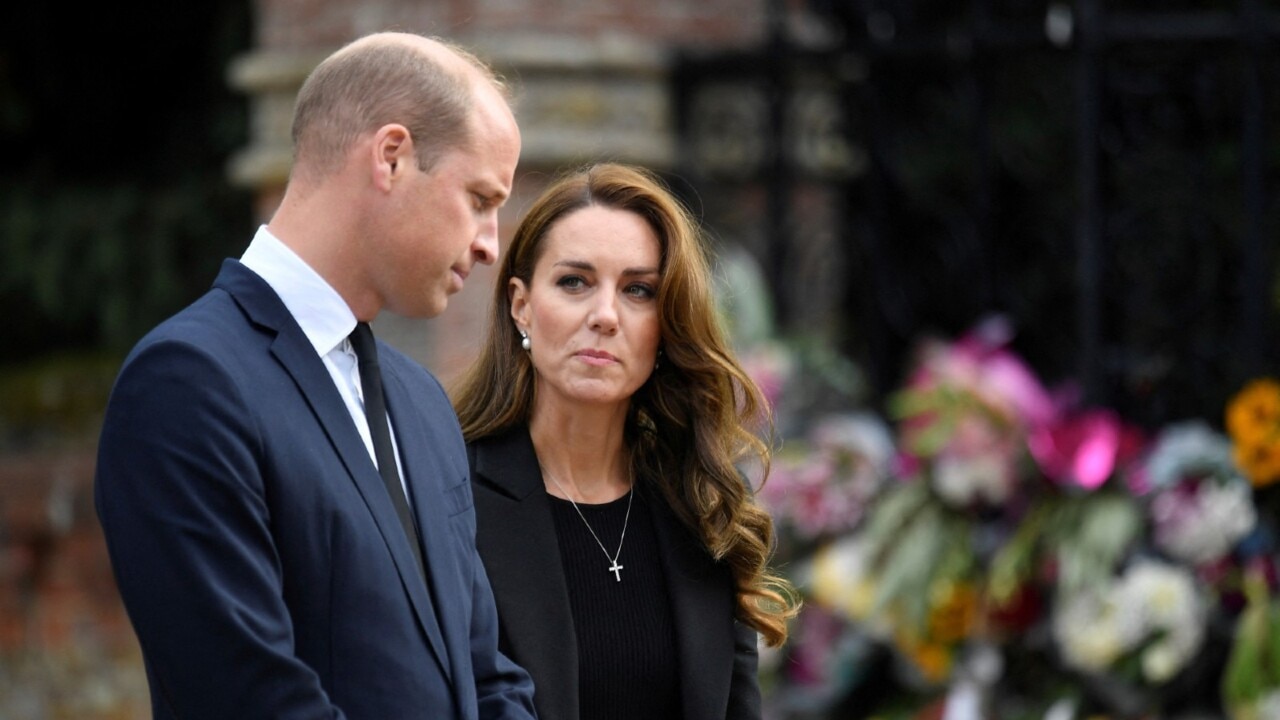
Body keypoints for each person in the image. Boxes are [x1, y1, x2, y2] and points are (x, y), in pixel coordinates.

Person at [94, 32, 537, 719]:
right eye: (480, 198)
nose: (490, 244)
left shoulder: (422, 403)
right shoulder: (187, 383)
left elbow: (486, 675)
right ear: (391, 158)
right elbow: (248, 698)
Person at [450, 162, 798, 720]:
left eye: (638, 290)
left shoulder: (701, 502)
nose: (605, 316)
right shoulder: (449, 497)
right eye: (574, 282)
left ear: (667, 323)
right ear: (521, 305)